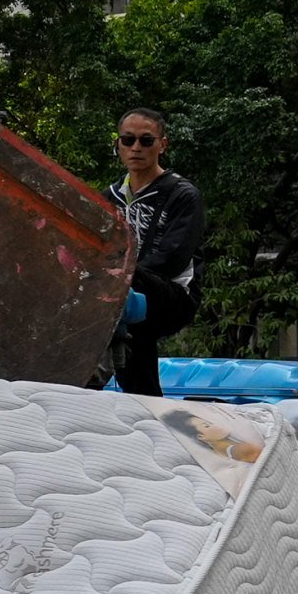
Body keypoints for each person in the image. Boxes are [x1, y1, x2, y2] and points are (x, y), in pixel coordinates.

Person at [110, 109, 205, 394]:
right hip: (120, 290)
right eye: (128, 140)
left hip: (172, 294)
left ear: (162, 145)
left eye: (146, 140)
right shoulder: (109, 197)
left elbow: (172, 259)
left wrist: (118, 279)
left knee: (125, 293)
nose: (136, 148)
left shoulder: (183, 194)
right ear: (118, 144)